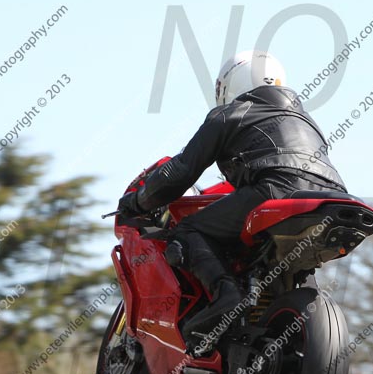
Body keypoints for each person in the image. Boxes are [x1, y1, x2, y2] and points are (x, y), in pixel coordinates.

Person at [119, 50, 347, 354]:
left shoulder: (232, 113)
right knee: (291, 267)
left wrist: (139, 201)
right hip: (331, 196)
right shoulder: (306, 120)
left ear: (230, 85)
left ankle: (227, 295)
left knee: (188, 231)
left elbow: (182, 171)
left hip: (276, 189)